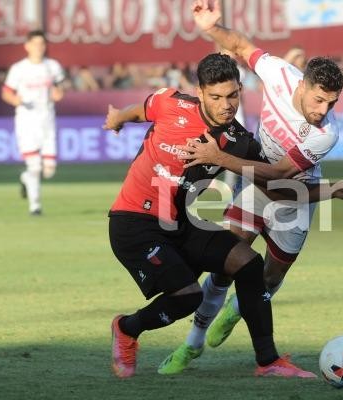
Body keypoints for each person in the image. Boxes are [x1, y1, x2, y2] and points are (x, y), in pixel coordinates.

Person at [157, 0, 343, 374]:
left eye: (332, 103)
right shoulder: (279, 73)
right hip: (253, 189)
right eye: (319, 99)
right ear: (302, 84)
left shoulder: (326, 133)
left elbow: (278, 175)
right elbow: (241, 45)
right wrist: (212, 28)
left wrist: (221, 158)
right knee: (224, 267)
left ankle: (237, 310)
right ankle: (191, 345)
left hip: (294, 199)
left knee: (269, 280)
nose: (324, 110)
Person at [104, 53, 316, 379]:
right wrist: (118, 118)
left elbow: (275, 183)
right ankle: (126, 328)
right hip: (133, 224)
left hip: (179, 223)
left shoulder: (239, 142)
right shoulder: (169, 102)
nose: (226, 105)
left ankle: (268, 361)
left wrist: (333, 189)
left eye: (232, 95)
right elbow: (139, 110)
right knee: (189, 296)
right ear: (200, 92)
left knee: (249, 264)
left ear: (240, 90)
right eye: (216, 97)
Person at [1, 30, 65, 216]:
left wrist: (58, 94)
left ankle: (25, 178)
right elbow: (6, 93)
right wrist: (16, 100)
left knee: (49, 171)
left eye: (41, 44)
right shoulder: (19, 69)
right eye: (35, 43)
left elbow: (59, 89)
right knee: (35, 166)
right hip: (27, 122)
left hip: (47, 121)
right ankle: (35, 207)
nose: (38, 47)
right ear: (27, 46)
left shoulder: (53, 66)